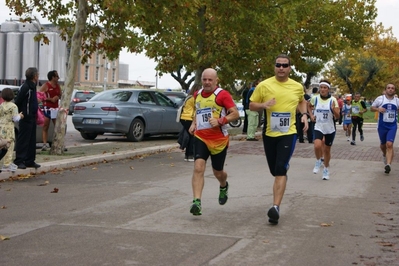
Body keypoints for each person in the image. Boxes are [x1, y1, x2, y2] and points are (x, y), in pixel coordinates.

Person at [249, 54, 309, 225]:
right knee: (275, 171)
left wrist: (304, 115)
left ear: (290, 68)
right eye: (278, 65)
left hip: (288, 133)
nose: (281, 68)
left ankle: (275, 207)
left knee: (280, 169)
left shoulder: (297, 86)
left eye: (285, 65)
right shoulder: (264, 85)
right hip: (269, 134)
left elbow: (302, 101)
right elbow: (252, 105)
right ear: (274, 67)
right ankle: (282, 171)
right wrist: (263, 105)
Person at [188, 68, 239, 216]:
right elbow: (198, 111)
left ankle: (223, 185)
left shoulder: (222, 95)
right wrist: (193, 123)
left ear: (216, 81)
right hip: (201, 137)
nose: (207, 82)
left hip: (219, 140)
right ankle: (196, 202)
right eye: (204, 79)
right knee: (198, 167)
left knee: (218, 172)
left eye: (210, 80)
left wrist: (220, 120)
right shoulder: (197, 94)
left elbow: (235, 113)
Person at [309, 80, 340, 180]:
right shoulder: (315, 98)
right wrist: (311, 115)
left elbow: (338, 116)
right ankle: (318, 160)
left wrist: (333, 110)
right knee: (317, 145)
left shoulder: (333, 100)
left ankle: (326, 169)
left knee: (327, 150)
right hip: (318, 126)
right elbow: (308, 106)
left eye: (324, 87)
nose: (322, 89)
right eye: (321, 87)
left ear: (328, 89)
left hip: (330, 128)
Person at [14, 67, 41, 169]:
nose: (38, 76)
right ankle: (19, 160)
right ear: (34, 76)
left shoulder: (33, 87)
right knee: (23, 140)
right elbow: (18, 101)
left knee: (31, 140)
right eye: (37, 74)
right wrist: (22, 113)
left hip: (32, 117)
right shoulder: (25, 87)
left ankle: (30, 160)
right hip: (25, 118)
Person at [370, 83, 399, 174]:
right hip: (382, 126)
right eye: (389, 88)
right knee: (383, 145)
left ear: (394, 91)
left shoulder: (397, 101)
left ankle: (388, 165)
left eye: (392, 88)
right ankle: (384, 154)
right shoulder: (380, 99)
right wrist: (378, 109)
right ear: (386, 90)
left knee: (389, 144)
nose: (390, 89)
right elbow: (371, 108)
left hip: (392, 126)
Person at [0, 88, 23, 172]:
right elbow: (15, 118)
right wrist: (20, 115)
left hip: (2, 127)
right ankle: (7, 164)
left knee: (2, 145)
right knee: (10, 145)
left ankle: (3, 162)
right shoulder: (13, 106)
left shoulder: (2, 105)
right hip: (9, 127)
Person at [40, 70, 61, 151]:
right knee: (46, 126)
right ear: (52, 77)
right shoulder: (46, 85)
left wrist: (58, 97)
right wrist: (50, 99)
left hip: (55, 108)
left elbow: (60, 94)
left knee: (57, 126)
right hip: (47, 108)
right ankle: (44, 144)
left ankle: (58, 143)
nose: (58, 78)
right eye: (56, 76)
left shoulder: (58, 86)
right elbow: (39, 95)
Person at [179, 84, 201, 161]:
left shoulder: (188, 97)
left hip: (183, 118)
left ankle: (187, 155)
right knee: (192, 136)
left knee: (190, 136)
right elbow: (198, 108)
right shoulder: (194, 98)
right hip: (189, 118)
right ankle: (190, 155)